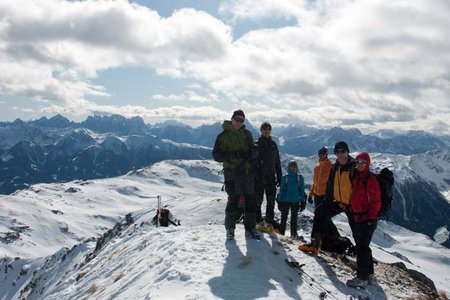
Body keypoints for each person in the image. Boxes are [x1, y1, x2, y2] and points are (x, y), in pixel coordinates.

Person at [299, 141, 355, 255]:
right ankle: (315, 245)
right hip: (338, 201)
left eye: (343, 151)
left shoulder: (353, 167)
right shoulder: (335, 167)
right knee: (319, 212)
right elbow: (327, 184)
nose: (340, 154)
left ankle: (364, 266)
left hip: (353, 204)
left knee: (358, 232)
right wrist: (320, 198)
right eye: (338, 151)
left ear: (347, 152)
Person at [212, 109, 260, 240]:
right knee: (233, 201)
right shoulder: (222, 136)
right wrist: (233, 155)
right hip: (232, 173)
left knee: (250, 201)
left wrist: (253, 153)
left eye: (241, 120)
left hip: (247, 173)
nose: (239, 122)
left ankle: (250, 229)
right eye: (237, 119)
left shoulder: (247, 134)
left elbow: (252, 150)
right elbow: (216, 155)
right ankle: (230, 229)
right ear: (232, 119)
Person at [346, 152, 381, 288]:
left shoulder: (370, 179)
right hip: (359, 218)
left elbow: (376, 202)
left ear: (367, 163)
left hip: (366, 219)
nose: (359, 164)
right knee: (364, 247)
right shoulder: (358, 177)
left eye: (362, 162)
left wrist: (371, 219)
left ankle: (362, 278)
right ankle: (369, 273)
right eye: (358, 162)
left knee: (361, 248)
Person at [254, 122, 282, 225]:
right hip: (259, 177)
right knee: (258, 199)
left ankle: (269, 220)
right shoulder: (256, 143)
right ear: (261, 130)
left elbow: (277, 161)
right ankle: (257, 219)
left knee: (271, 200)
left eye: (268, 129)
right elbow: (253, 162)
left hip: (270, 176)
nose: (267, 131)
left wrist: (279, 176)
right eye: (264, 129)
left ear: (270, 131)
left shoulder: (273, 144)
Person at [276, 160, 306, 239]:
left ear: (296, 167)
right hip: (286, 201)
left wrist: (302, 201)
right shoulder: (285, 178)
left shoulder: (299, 178)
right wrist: (280, 200)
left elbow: (302, 190)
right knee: (284, 218)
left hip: (295, 201)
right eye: (291, 166)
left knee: (294, 219)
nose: (293, 168)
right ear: (289, 167)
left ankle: (293, 235)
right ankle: (281, 233)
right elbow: (281, 190)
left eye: (294, 166)